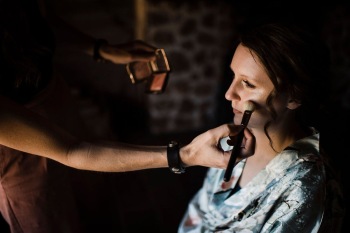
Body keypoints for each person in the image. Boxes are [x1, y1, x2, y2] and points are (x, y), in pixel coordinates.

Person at [0, 0, 232, 232]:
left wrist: (102, 49)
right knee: (47, 217)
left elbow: (37, 23)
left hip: (54, 96)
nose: (231, 94)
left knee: (91, 199)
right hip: (18, 145)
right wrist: (185, 154)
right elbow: (74, 150)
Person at [178, 23, 345, 232]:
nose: (229, 94)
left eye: (247, 83)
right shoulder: (227, 143)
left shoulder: (305, 188)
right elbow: (198, 213)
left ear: (294, 96)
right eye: (233, 76)